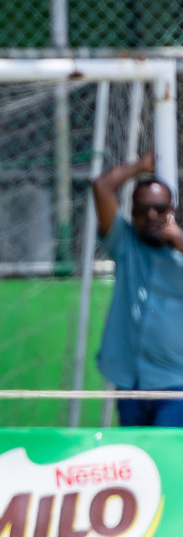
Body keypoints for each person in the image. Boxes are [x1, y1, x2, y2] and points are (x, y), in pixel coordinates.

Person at [92, 152, 183, 427]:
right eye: (142, 211)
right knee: (136, 457)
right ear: (132, 214)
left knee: (168, 457)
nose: (152, 216)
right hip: (130, 379)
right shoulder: (126, 243)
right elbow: (102, 187)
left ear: (172, 211)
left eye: (160, 209)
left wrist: (177, 237)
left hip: (175, 381)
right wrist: (140, 167)